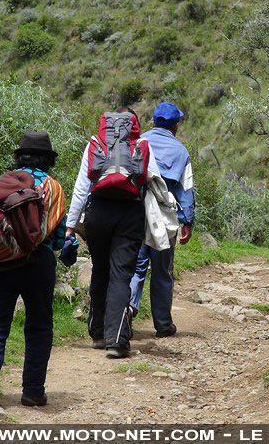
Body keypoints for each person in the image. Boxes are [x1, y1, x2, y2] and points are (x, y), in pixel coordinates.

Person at [0, 131, 67, 409]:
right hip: (38, 263)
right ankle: (33, 392)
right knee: (38, 325)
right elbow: (59, 240)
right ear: (47, 160)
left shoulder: (2, 184)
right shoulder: (53, 187)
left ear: (19, 158)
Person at [65, 108, 160, 359]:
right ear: (135, 125)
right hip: (130, 213)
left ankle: (97, 332)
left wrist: (70, 226)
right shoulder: (141, 145)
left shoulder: (95, 145)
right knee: (121, 274)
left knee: (100, 269)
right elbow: (155, 183)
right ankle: (116, 339)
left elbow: (81, 188)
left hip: (98, 211)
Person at [129, 102, 195, 338]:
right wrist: (187, 221)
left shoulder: (138, 142)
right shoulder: (181, 152)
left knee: (136, 265)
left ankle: (128, 308)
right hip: (165, 219)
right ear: (176, 125)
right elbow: (186, 190)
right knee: (162, 270)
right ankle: (163, 324)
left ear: (153, 122)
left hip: (136, 213)